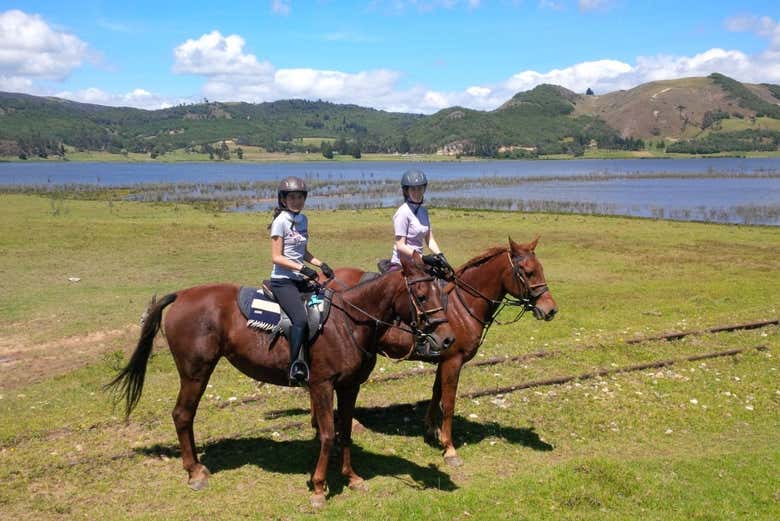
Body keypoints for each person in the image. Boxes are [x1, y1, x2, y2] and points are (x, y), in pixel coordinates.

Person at [269, 176, 334, 384]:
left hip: (299, 278)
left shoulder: (303, 220)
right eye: (292, 197)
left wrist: (320, 263)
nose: (296, 201)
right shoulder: (279, 222)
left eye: (300, 197)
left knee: (326, 305)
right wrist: (304, 269)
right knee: (300, 319)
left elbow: (302, 251)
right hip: (283, 280)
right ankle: (295, 364)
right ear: (283, 199)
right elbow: (277, 257)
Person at [387, 169, 451, 275]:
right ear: (407, 191)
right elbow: (400, 245)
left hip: (419, 263)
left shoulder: (423, 211)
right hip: (402, 264)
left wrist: (440, 255)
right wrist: (423, 258)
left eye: (420, 189)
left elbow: (429, 239)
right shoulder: (403, 213)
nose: (417, 193)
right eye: (413, 189)